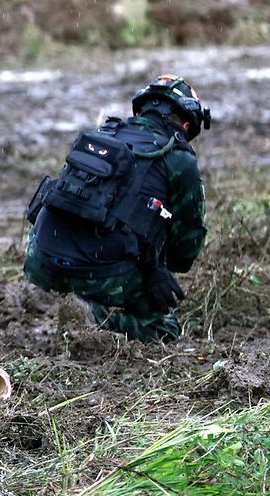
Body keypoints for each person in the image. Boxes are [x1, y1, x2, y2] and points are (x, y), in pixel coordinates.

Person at [24, 75, 209, 342]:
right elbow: (186, 250)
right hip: (97, 270)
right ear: (186, 122)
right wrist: (155, 267)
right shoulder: (179, 158)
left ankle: (66, 295)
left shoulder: (103, 135)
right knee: (164, 328)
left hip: (40, 259)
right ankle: (93, 316)